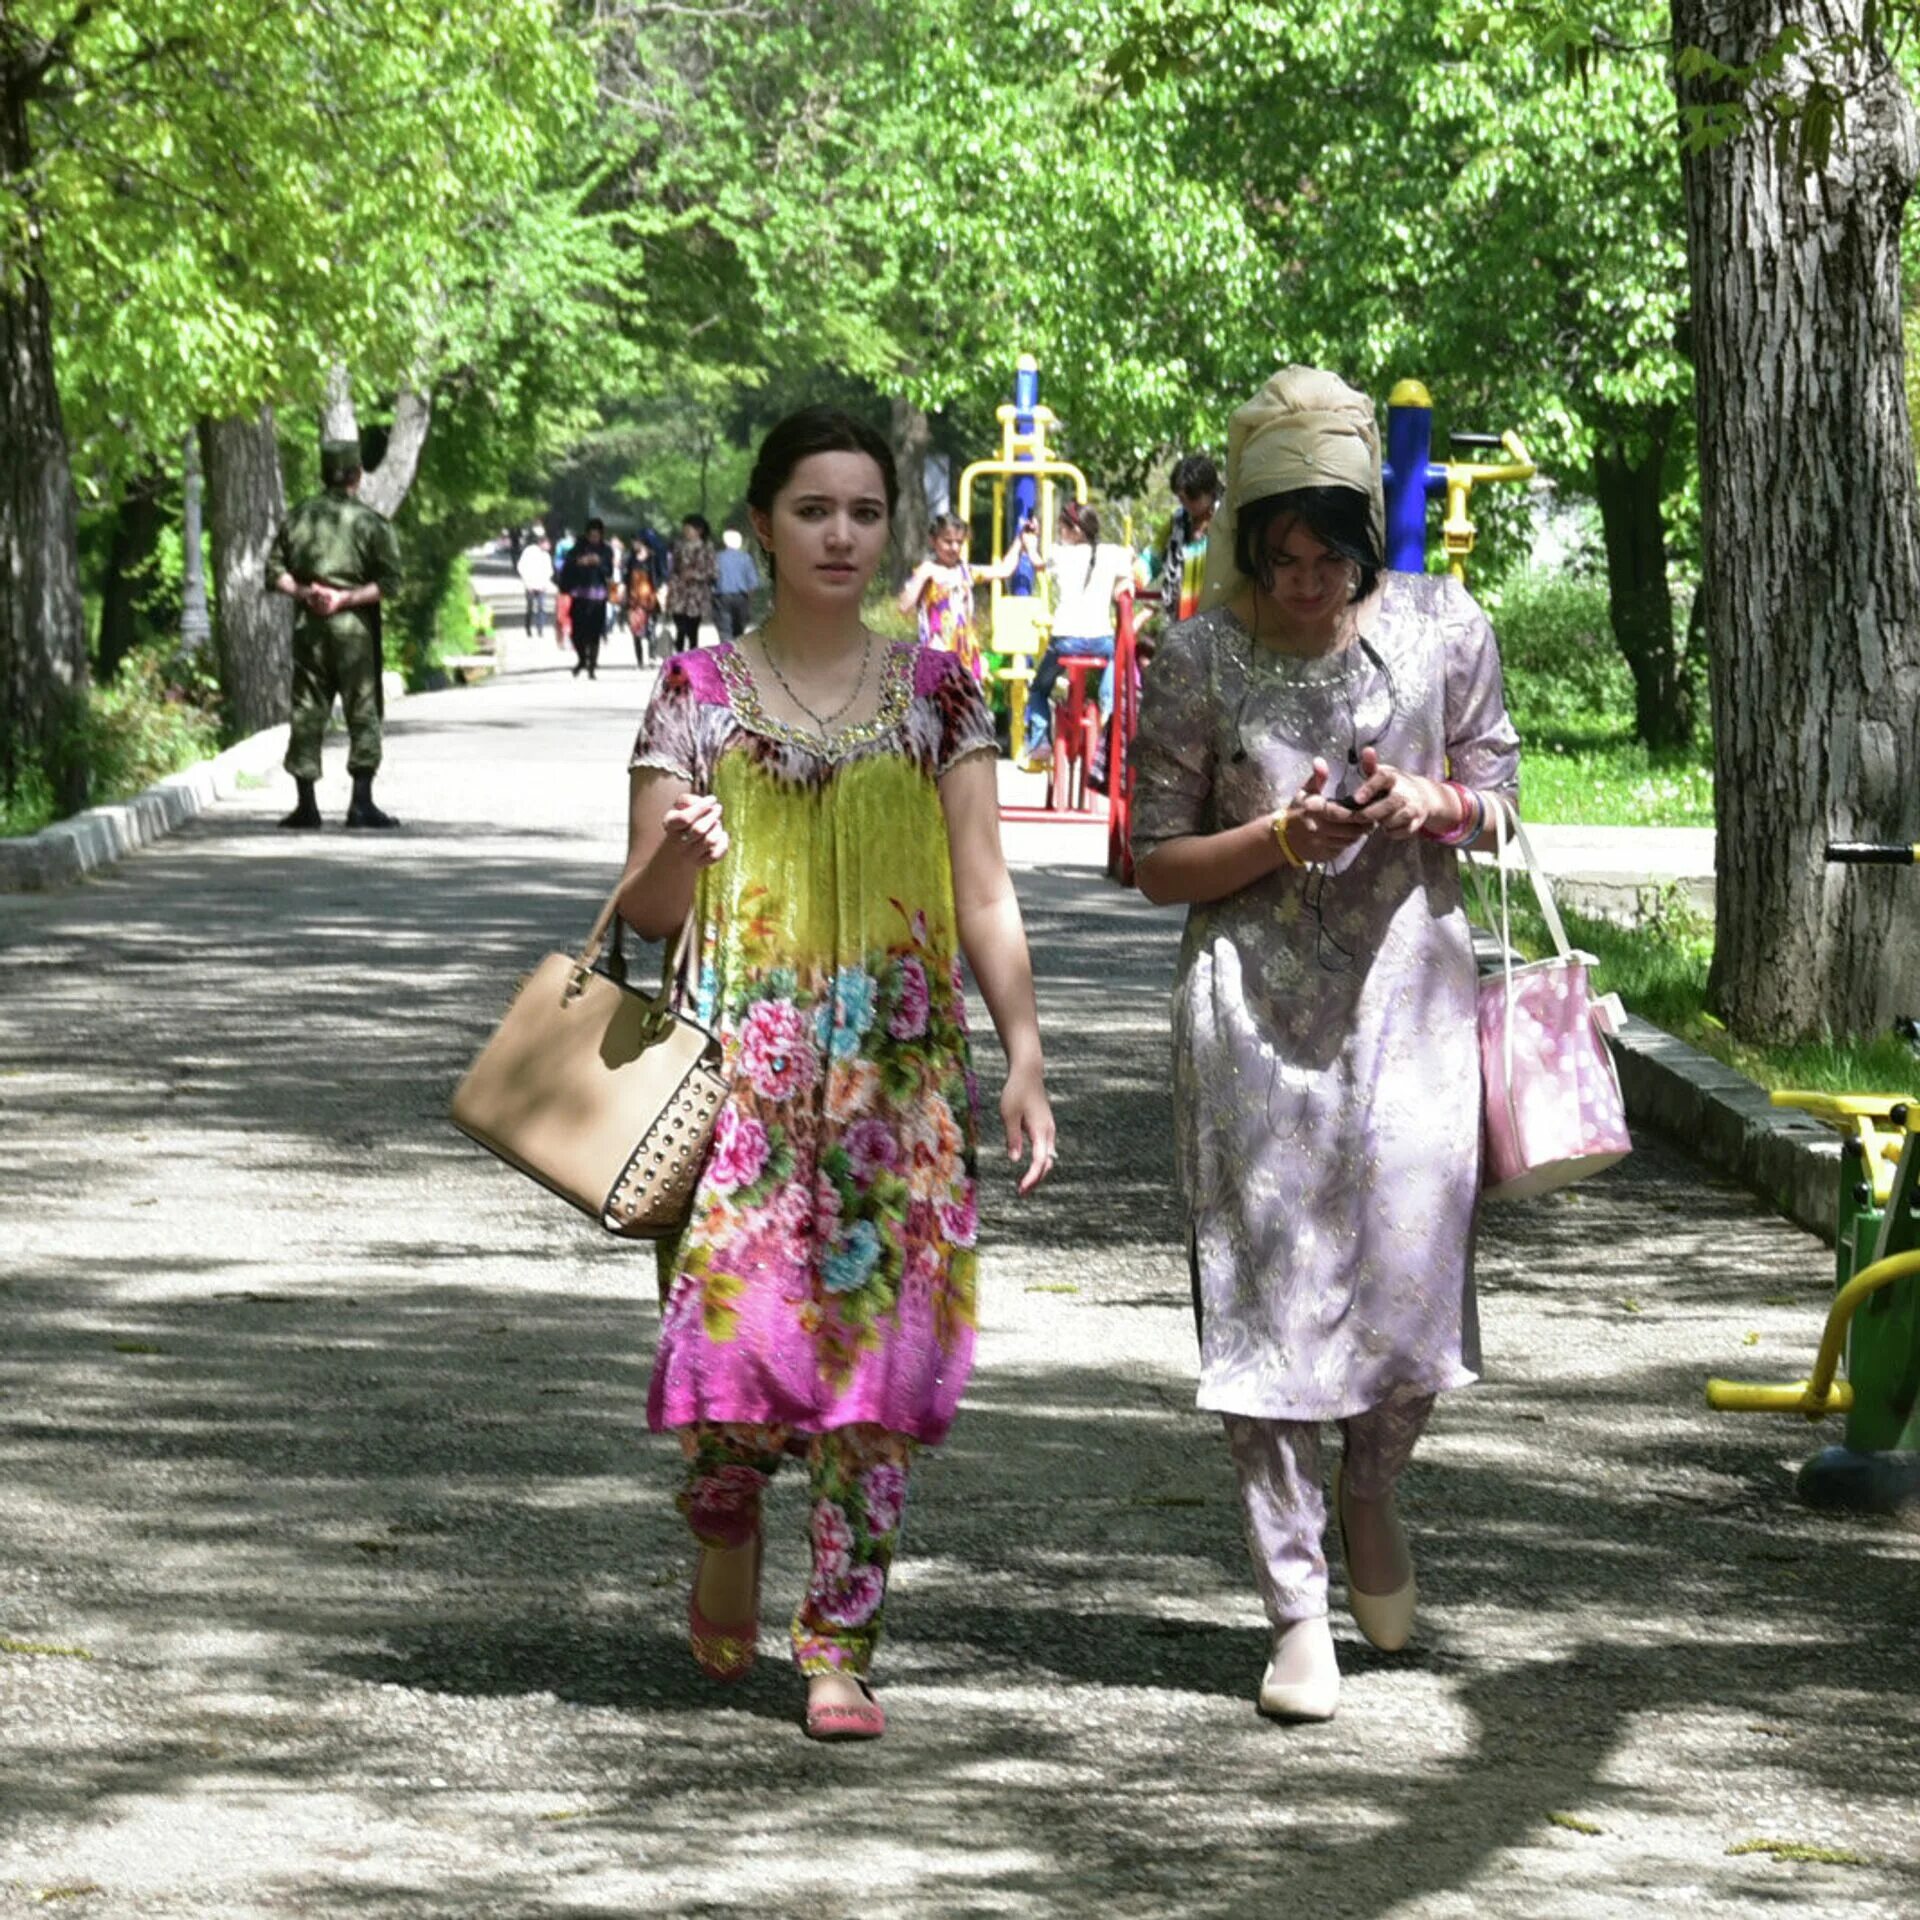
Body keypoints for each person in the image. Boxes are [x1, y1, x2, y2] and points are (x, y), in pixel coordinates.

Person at [616, 405, 1055, 1742]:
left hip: (897, 1086)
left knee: (876, 1374)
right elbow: (640, 912)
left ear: (895, 530)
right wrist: (685, 858)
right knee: (737, 1345)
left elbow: (985, 895)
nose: (841, 535)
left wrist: (1026, 1056)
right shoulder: (693, 696)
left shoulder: (942, 694)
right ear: (762, 524)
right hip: (736, 1086)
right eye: (814, 510)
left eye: (865, 512)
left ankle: (839, 1648)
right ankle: (726, 1510)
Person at [1128, 366, 1521, 1724]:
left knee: (1411, 1294)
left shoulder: (1447, 629)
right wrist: (1276, 837)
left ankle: (1372, 1488)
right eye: (1277, 557)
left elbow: (1503, 800)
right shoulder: (1194, 658)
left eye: (1328, 555)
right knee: (1266, 1307)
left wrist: (1427, 800)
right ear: (1243, 543)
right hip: (1249, 1013)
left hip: (1412, 1001)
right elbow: (1153, 859)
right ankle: (1296, 1606)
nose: (1304, 582)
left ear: (1367, 536)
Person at [267, 438, 404, 830]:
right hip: (354, 630)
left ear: (324, 473)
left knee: (307, 708)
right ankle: (361, 803)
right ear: (357, 476)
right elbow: (390, 582)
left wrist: (306, 592)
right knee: (362, 708)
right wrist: (344, 598)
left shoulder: (298, 519)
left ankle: (306, 805)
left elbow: (275, 572)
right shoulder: (370, 523)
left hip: (309, 627)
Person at [1020, 500, 1132, 769]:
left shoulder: (1060, 554)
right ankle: (1108, 704)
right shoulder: (1112, 552)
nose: (1060, 533)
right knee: (1116, 655)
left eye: (1062, 528)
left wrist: (1029, 541)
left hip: (1066, 641)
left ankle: (1039, 744)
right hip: (1100, 641)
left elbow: (1036, 562)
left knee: (1038, 689)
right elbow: (1130, 569)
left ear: (1076, 531)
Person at [895, 512, 1026, 684]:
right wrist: (922, 574)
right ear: (933, 541)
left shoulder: (965, 572)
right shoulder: (928, 572)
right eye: (948, 542)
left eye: (959, 542)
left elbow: (1004, 570)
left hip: (966, 657)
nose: (955, 548)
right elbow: (904, 606)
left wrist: (1019, 540)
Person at [1137, 453, 1222, 646]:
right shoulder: (1177, 522)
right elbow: (1153, 557)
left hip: (1220, 622)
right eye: (1181, 498)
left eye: (1191, 497)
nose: (1185, 504)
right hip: (1183, 622)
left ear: (1210, 491)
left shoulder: (1229, 521)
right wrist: (1133, 577)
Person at [558, 518, 615, 680]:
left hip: (598, 597)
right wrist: (579, 562)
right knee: (577, 632)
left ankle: (591, 666)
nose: (594, 538)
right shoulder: (577, 549)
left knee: (594, 633)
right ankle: (582, 659)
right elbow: (567, 568)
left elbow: (609, 572)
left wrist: (599, 563)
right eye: (591, 535)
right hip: (579, 595)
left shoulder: (606, 550)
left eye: (597, 535)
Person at [666, 513, 717, 653]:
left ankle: (692, 661)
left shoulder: (707, 548)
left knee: (692, 631)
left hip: (697, 596)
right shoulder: (679, 547)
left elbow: (713, 572)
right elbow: (673, 569)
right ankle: (679, 661)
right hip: (679, 594)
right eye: (685, 529)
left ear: (699, 530)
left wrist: (695, 575)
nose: (685, 532)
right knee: (680, 629)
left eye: (688, 529)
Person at [712, 528, 762, 645]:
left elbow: (711, 578)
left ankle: (726, 655)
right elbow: (753, 582)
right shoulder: (746, 558)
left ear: (725, 542)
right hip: (741, 597)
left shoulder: (717, 557)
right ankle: (737, 653)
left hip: (722, 597)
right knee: (739, 629)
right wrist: (749, 599)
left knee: (724, 629)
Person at [624, 536, 661, 668]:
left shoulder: (652, 559)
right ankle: (639, 660)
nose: (634, 544)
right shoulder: (630, 559)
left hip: (649, 598)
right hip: (633, 599)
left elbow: (659, 577)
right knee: (636, 630)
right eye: (634, 542)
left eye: (637, 542)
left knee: (651, 629)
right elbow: (625, 578)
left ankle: (651, 658)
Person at [516, 533, 555, 641]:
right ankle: (528, 628)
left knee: (541, 607)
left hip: (541, 585)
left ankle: (540, 629)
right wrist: (526, 582)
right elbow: (521, 566)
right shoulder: (530, 551)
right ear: (541, 543)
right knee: (530, 607)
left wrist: (545, 583)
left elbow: (549, 571)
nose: (548, 546)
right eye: (547, 544)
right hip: (530, 584)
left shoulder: (546, 556)